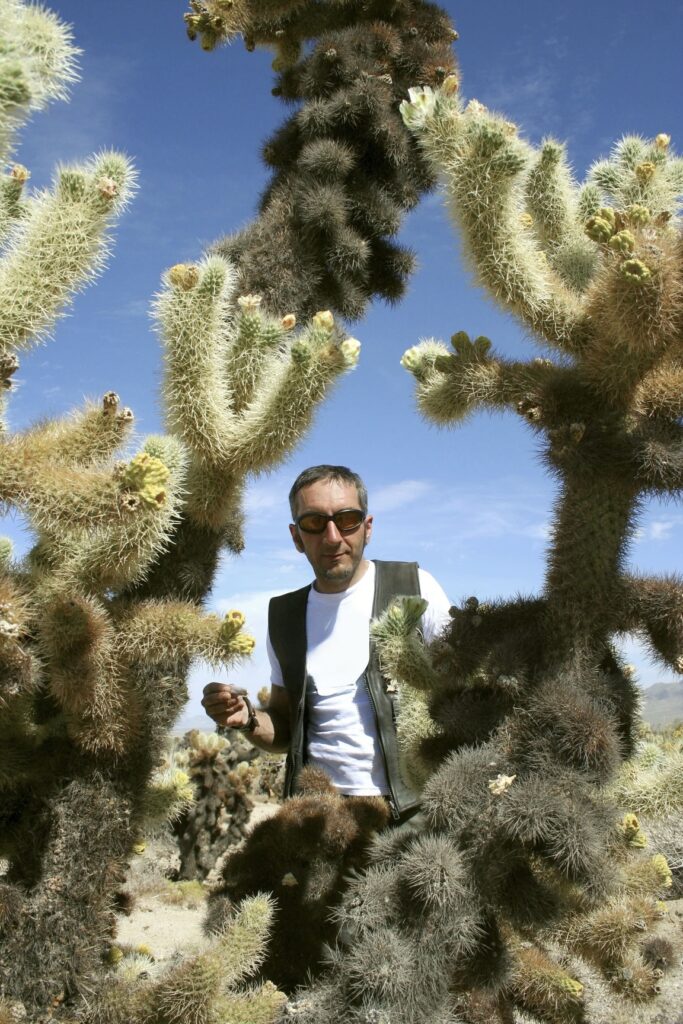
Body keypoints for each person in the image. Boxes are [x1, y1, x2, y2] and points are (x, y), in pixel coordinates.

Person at [202, 465, 451, 821]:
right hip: (319, 817)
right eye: (315, 523)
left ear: (368, 527)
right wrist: (246, 718)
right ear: (296, 536)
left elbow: (464, 687)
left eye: (347, 519)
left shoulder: (415, 586)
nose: (333, 537)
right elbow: (286, 730)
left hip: (413, 814)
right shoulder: (284, 616)